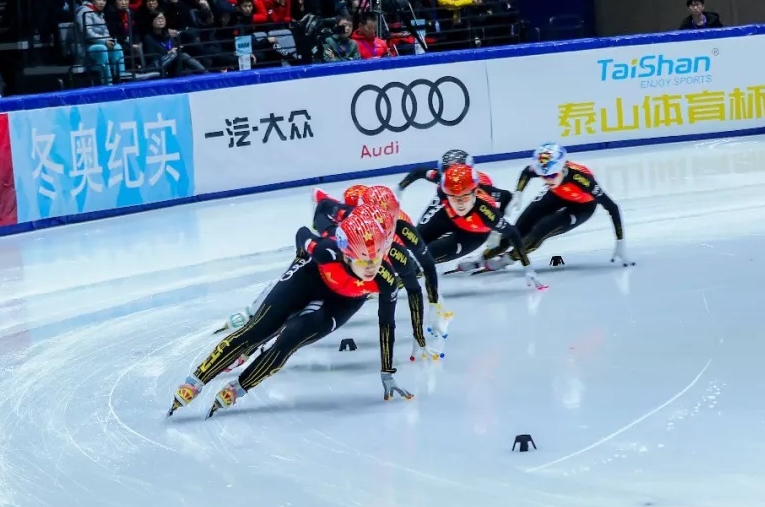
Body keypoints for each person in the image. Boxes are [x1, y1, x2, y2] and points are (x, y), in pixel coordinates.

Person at [168, 207, 412, 418]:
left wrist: (387, 372)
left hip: (342, 302)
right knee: (258, 330)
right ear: (346, 255)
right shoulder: (326, 251)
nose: (371, 268)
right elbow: (302, 233)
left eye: (376, 260)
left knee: (290, 339)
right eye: (363, 261)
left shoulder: (386, 279)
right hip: (309, 278)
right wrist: (300, 257)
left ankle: (238, 388)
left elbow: (387, 324)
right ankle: (196, 381)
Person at [310, 186, 444, 360]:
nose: (381, 237)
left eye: (389, 226)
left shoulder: (402, 230)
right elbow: (322, 209)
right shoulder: (348, 223)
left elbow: (425, 269)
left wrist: (431, 308)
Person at [465, 142, 632, 273]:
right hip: (556, 196)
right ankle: (482, 258)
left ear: (562, 168)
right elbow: (527, 172)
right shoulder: (546, 169)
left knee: (543, 228)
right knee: (519, 228)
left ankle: (508, 259)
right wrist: (518, 193)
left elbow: (612, 207)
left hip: (582, 206)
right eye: (544, 176)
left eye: (552, 175)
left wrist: (620, 241)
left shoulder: (582, 179)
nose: (548, 179)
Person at [418, 164, 546, 290]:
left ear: (475, 192)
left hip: (472, 234)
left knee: (426, 256)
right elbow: (419, 172)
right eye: (454, 197)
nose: (460, 203)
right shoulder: (443, 190)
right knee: (416, 241)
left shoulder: (485, 211)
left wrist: (528, 267)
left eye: (465, 196)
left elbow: (513, 233)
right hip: (449, 218)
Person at [398, 149, 515, 215]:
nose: (452, 181)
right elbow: (419, 171)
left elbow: (505, 197)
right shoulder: (442, 178)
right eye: (446, 174)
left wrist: (497, 223)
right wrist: (399, 188)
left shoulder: (482, 186)